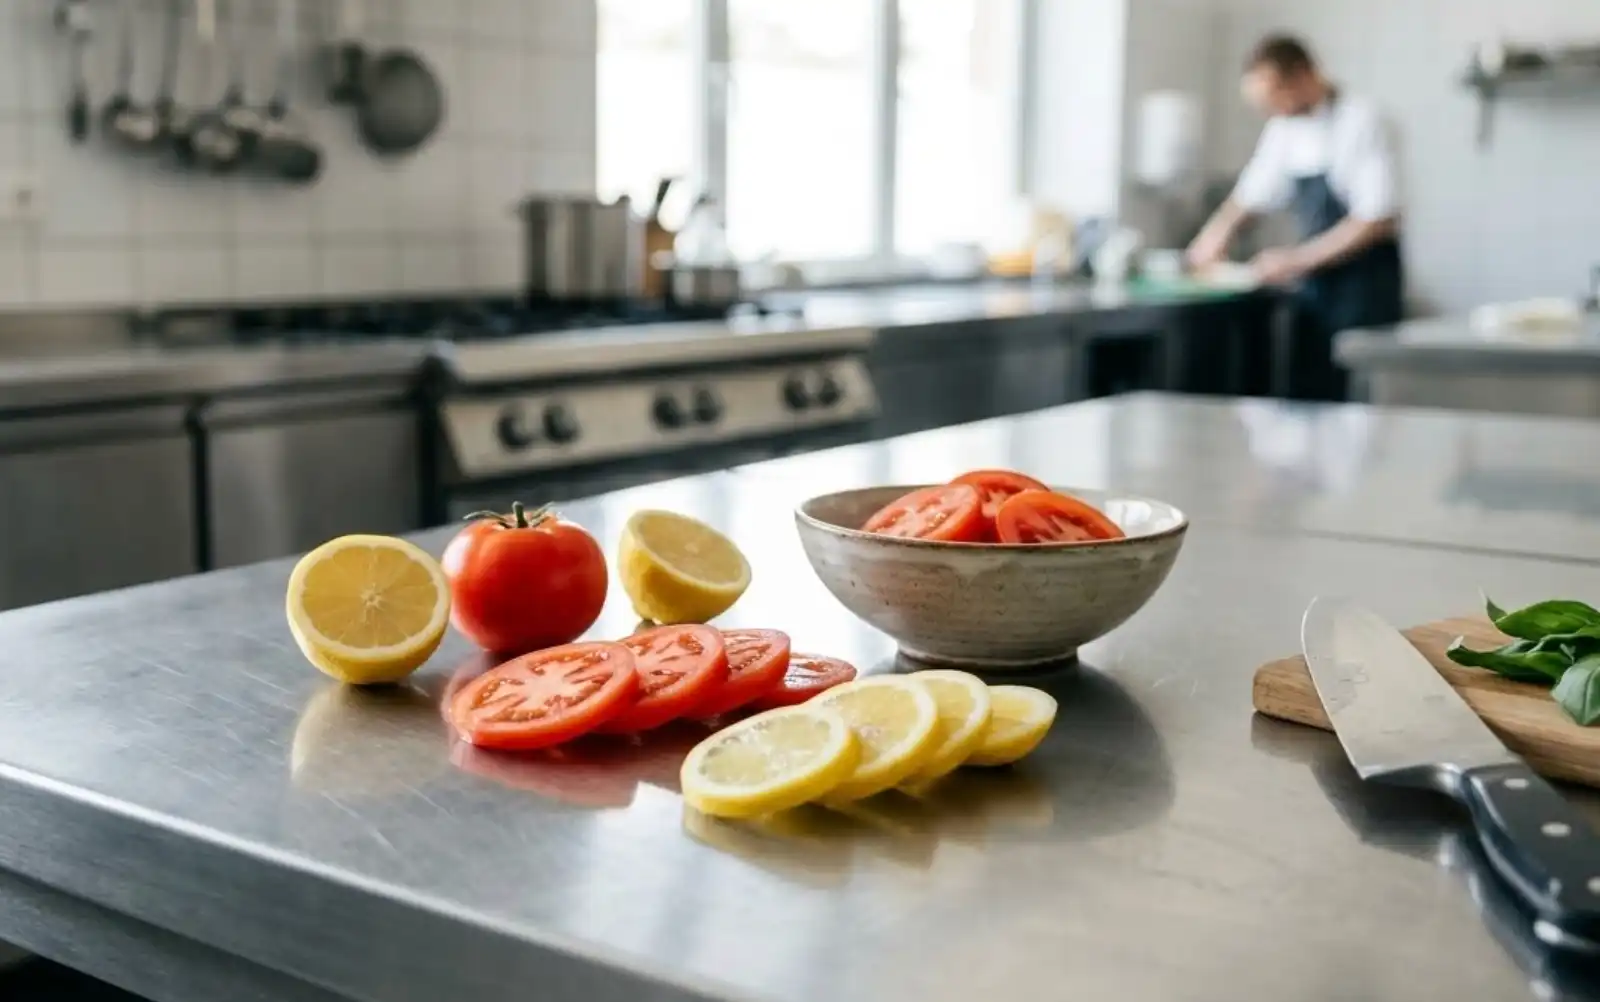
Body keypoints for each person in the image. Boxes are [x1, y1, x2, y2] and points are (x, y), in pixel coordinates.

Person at [1187, 34, 1404, 401]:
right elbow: (1251, 196)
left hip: (1365, 287)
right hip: (1315, 291)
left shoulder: (1362, 120)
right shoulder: (1284, 129)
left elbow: (1376, 219)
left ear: (1304, 75)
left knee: (1354, 407)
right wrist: (1215, 234)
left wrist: (1295, 260)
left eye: (1275, 96)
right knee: (1309, 396)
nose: (1272, 109)